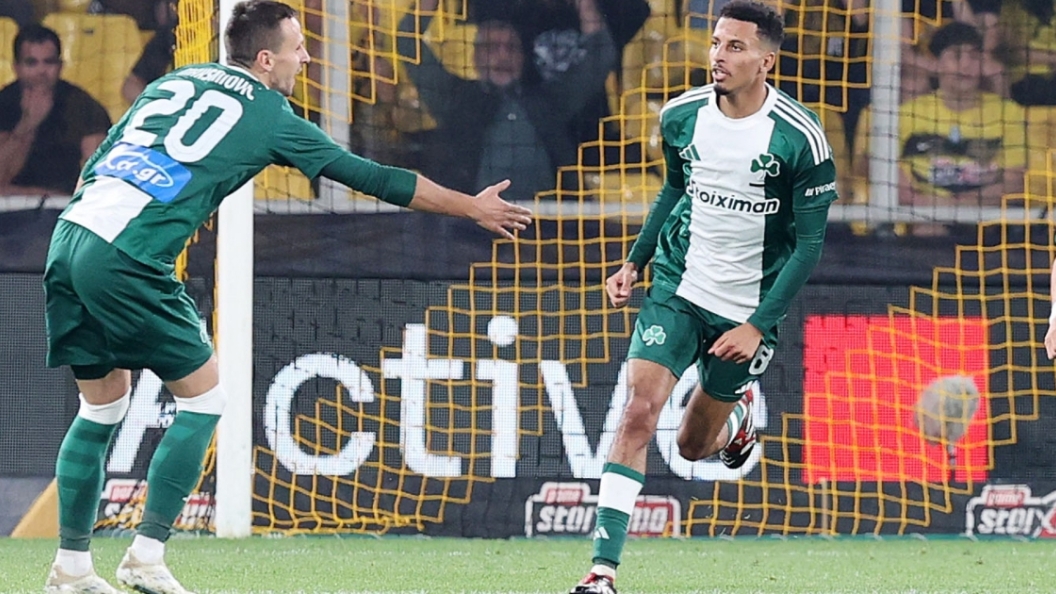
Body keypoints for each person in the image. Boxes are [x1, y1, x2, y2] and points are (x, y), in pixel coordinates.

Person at [41, 2, 531, 593]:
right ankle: (144, 556)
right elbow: (372, 177)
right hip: (129, 255)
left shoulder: (176, 79)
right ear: (266, 59)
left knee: (101, 408)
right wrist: (470, 206)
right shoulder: (270, 114)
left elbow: (98, 161)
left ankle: (70, 569)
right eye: (298, 47)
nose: (307, 57)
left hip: (72, 235)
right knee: (204, 400)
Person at [570, 2, 838, 592]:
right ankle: (601, 572)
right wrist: (635, 262)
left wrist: (757, 325)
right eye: (716, 43)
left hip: (745, 309)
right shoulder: (681, 115)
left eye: (735, 47)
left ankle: (735, 422)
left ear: (767, 61)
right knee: (638, 412)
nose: (718, 55)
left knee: (693, 447)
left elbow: (809, 245)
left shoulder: (800, 138)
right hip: (678, 286)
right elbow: (674, 188)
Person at [396, 0, 616, 201]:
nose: (503, 56)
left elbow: (601, 56)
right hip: (470, 226)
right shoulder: (453, 96)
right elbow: (408, 41)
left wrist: (585, 4)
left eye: (511, 48)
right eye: (491, 47)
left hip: (547, 223)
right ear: (475, 56)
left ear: (523, 57)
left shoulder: (549, 100)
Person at [852, 21, 1025, 233]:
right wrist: (921, 202)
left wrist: (957, 206)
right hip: (926, 218)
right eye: (956, 56)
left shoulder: (1008, 112)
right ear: (936, 63)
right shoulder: (908, 113)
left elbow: (1014, 182)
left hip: (989, 219)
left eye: (974, 57)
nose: (966, 65)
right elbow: (873, 165)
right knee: (927, 230)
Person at [0, 24, 110, 196]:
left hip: (63, 203)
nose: (41, 71)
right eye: (31, 63)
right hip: (9, 206)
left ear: (60, 66)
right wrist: (27, 125)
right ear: (16, 67)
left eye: (49, 62)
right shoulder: (4, 103)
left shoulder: (82, 105)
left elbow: (98, 176)